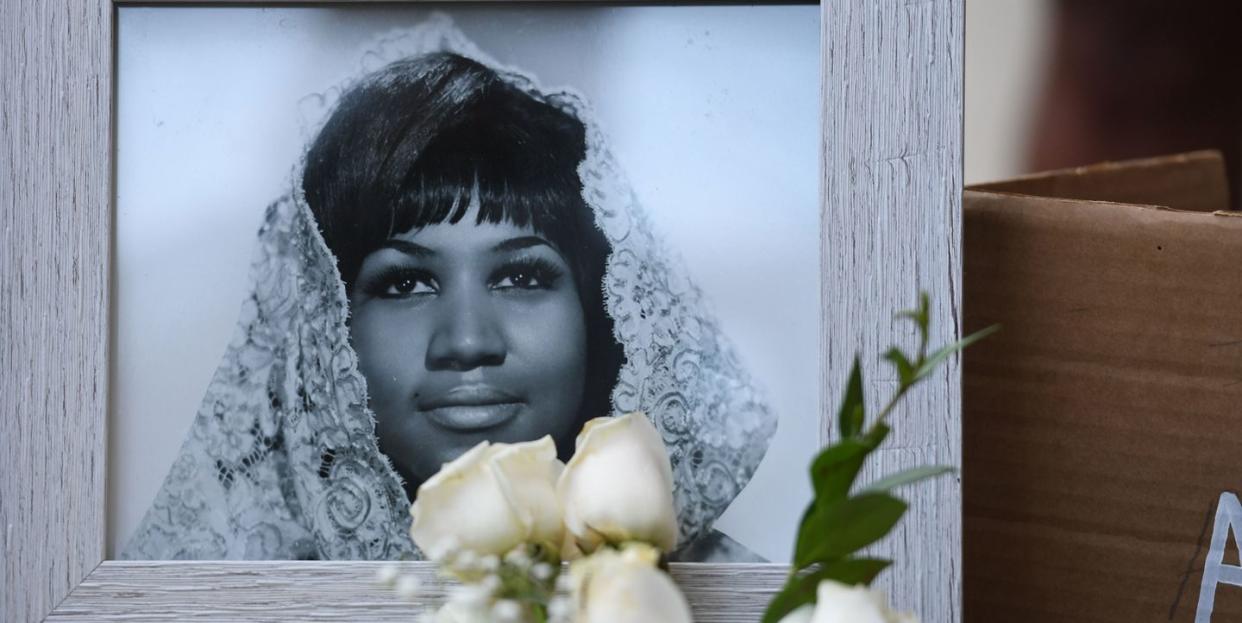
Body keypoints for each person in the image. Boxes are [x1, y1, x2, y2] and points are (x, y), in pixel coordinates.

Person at [122, 19, 775, 562]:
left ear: (600, 312)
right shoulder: (206, 594)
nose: (467, 340)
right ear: (325, 334)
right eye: (405, 282)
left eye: (521, 276)